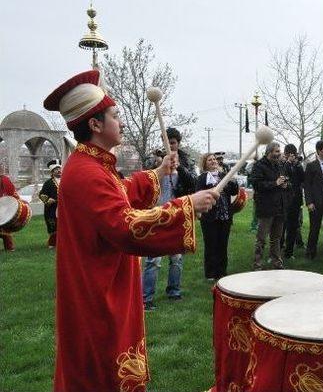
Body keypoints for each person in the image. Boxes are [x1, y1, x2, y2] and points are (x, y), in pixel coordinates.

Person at [44, 70, 218, 392]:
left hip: (104, 282)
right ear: (95, 125)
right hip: (98, 294)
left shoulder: (92, 165)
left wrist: (158, 172)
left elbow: (121, 190)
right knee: (101, 374)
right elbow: (125, 227)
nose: (120, 122)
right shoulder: (86, 172)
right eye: (115, 115)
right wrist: (187, 205)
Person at [142, 127, 197, 309]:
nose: (169, 146)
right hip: (157, 213)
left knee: (176, 258)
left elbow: (193, 183)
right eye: (166, 142)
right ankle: (146, 298)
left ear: (177, 143)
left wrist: (178, 167)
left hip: (177, 213)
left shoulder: (186, 161)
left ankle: (174, 291)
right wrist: (159, 164)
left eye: (172, 143)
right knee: (153, 260)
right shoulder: (156, 159)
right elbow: (145, 177)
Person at [197, 153, 238, 281]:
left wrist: (233, 182)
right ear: (205, 163)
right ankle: (210, 273)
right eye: (210, 160)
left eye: (214, 159)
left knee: (222, 244)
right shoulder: (202, 178)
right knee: (211, 245)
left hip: (225, 216)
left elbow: (234, 191)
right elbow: (198, 194)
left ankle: (221, 272)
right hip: (210, 216)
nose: (213, 161)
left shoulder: (224, 175)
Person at [250, 142, 290, 270]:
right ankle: (257, 264)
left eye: (279, 151)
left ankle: (277, 262)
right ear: (269, 152)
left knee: (276, 238)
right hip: (266, 207)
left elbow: (284, 181)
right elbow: (257, 185)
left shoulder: (279, 165)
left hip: (280, 206)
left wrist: (285, 184)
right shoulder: (259, 166)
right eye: (277, 151)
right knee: (261, 238)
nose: (279, 154)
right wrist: (275, 183)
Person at [282, 144, 305, 259]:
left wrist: (296, 165)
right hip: (283, 200)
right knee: (281, 226)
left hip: (295, 200)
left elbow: (302, 179)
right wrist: (288, 163)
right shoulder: (283, 164)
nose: (292, 156)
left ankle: (289, 252)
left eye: (293, 154)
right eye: (289, 154)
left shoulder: (298, 165)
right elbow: (284, 177)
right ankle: (279, 249)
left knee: (293, 226)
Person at [39, 159, 62, 248]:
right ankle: (52, 243)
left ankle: (64, 242)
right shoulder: (48, 183)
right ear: (52, 171)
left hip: (64, 207)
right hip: (52, 208)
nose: (59, 171)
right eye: (56, 169)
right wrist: (47, 200)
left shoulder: (66, 180)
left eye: (60, 169)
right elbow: (42, 194)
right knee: (53, 224)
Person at [0, 169, 19, 252]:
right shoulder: (4, 179)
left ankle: (9, 247)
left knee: (4, 230)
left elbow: (11, 193)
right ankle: (9, 247)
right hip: (3, 208)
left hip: (3, 208)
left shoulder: (4, 179)